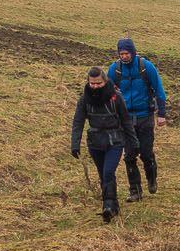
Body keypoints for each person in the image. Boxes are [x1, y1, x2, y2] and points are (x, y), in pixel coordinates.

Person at [70, 66, 134, 223]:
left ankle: (108, 206)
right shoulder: (84, 99)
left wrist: (133, 141)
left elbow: (126, 120)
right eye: (92, 83)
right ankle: (113, 205)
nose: (95, 86)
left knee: (107, 172)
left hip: (115, 141)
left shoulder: (116, 97)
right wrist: (75, 143)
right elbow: (78, 121)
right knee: (103, 174)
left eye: (98, 83)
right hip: (95, 142)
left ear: (105, 81)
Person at [105, 37, 166, 201]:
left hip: (145, 116)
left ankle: (152, 178)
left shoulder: (147, 67)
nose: (124, 57)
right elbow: (108, 94)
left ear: (132, 52)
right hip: (124, 120)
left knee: (146, 153)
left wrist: (161, 114)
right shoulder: (114, 70)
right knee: (130, 155)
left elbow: (159, 90)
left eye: (126, 53)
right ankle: (135, 191)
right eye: (121, 54)